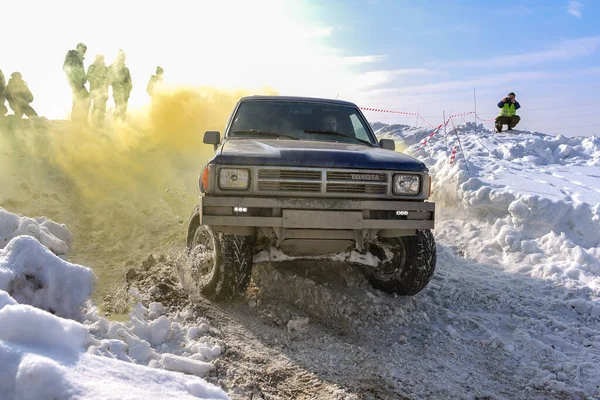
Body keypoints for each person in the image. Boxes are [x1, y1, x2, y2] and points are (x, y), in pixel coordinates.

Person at [63, 43, 90, 123]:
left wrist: (83, 78)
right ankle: (76, 122)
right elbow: (65, 67)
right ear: (78, 48)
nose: (84, 51)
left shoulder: (79, 59)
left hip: (79, 83)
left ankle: (81, 121)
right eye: (82, 49)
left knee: (85, 99)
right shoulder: (72, 56)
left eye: (85, 50)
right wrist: (74, 77)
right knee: (78, 100)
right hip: (75, 82)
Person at [109, 49, 132, 121]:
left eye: (123, 58)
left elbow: (129, 81)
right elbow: (109, 79)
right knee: (119, 108)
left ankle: (122, 126)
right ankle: (115, 124)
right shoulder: (113, 67)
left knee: (123, 110)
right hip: (117, 92)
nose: (122, 59)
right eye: (120, 57)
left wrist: (128, 90)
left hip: (125, 93)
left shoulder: (126, 70)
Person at [87, 54, 109, 126]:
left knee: (103, 109)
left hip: (104, 92)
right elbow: (89, 77)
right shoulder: (92, 67)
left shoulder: (105, 68)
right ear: (96, 58)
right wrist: (98, 79)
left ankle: (101, 126)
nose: (101, 59)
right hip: (95, 92)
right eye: (99, 58)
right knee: (96, 108)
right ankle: (94, 126)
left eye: (102, 58)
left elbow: (109, 79)